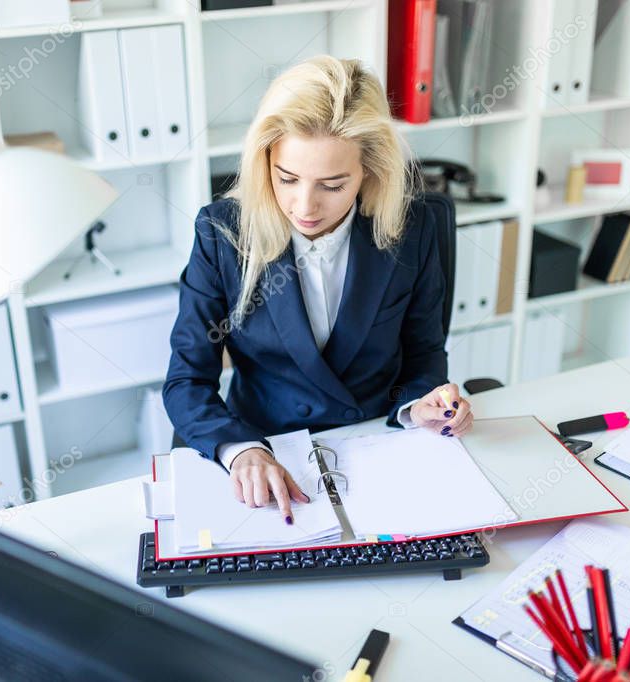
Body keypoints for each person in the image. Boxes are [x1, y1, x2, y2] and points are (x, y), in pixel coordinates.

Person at [163, 55, 473, 524]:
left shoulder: (413, 228)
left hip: (377, 444)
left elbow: (424, 351)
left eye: (332, 184)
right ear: (265, 158)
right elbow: (187, 379)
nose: (304, 206)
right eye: (287, 178)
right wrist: (240, 450)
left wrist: (419, 407)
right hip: (269, 450)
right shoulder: (222, 233)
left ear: (370, 170)